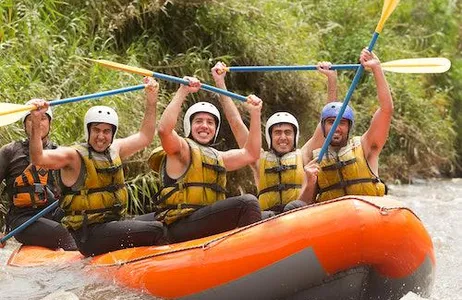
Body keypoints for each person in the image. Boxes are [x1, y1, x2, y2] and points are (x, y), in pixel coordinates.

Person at [28, 77, 166, 256]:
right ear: (88, 131)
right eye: (96, 130)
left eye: (106, 131)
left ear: (112, 133)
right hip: (89, 236)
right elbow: (38, 158)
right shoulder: (73, 156)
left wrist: (151, 100)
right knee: (156, 229)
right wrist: (36, 121)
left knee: (165, 217)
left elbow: (145, 137)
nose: (101, 136)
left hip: (112, 225)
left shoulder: (116, 149)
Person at [211, 61, 338, 216]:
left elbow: (328, 120)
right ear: (270, 137)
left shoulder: (304, 155)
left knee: (294, 207)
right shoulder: (257, 157)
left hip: (298, 216)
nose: (283, 137)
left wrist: (332, 79)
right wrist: (220, 82)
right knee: (262, 214)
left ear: (295, 136)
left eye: (287, 132)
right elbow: (235, 123)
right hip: (268, 221)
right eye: (277, 132)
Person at [148, 76, 262, 243]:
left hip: (204, 221)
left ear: (215, 129)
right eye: (199, 121)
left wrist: (255, 114)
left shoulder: (218, 157)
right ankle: (254, 255)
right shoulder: (181, 149)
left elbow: (252, 153)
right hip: (180, 225)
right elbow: (164, 130)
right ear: (189, 125)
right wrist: (183, 91)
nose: (205, 126)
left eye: (210, 122)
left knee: (262, 214)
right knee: (247, 203)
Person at [299, 49, 392, 203]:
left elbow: (386, 110)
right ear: (322, 127)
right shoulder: (314, 160)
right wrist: (310, 184)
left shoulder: (366, 147)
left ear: (349, 127)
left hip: (369, 217)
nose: (336, 127)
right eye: (330, 122)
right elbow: (301, 207)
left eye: (341, 123)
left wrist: (377, 69)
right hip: (335, 222)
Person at [0, 101, 77, 250]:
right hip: (23, 220)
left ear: (50, 124)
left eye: (43, 118)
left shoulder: (59, 153)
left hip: (55, 214)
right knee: (61, 233)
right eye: (31, 119)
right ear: (24, 124)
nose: (37, 123)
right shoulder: (9, 152)